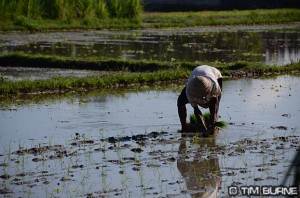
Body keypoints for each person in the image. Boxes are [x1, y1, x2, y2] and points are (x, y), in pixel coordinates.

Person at [177, 65, 222, 135]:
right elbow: (196, 110)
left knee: (213, 106)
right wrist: (204, 128)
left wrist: (213, 117)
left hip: (214, 74)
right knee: (180, 102)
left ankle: (212, 124)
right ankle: (184, 127)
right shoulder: (189, 90)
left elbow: (215, 100)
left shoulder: (215, 85)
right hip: (196, 77)